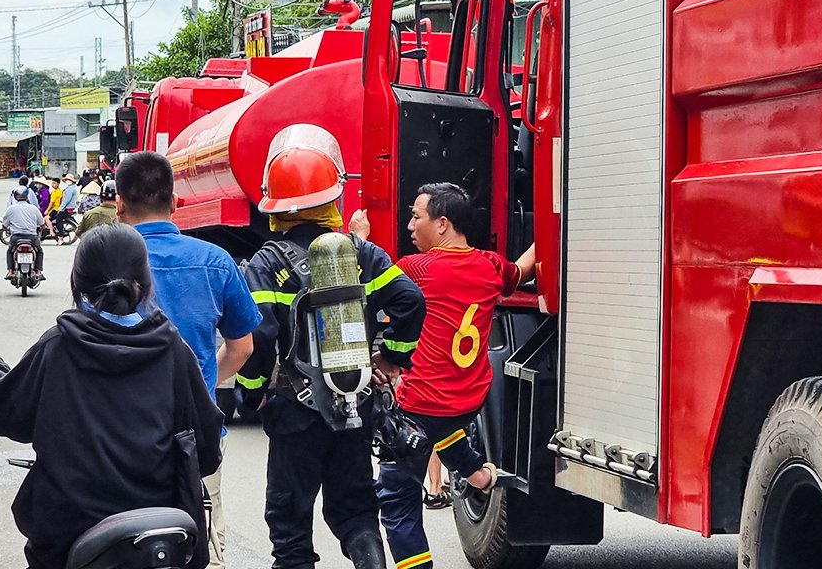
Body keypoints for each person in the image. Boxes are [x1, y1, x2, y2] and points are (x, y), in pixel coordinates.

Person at [0, 223, 225, 569]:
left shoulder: (57, 347)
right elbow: (207, 449)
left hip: (67, 534)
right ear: (145, 283)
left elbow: (2, 412)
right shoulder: (173, 350)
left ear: (77, 281)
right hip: (162, 530)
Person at [238, 124, 425, 569]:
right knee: (357, 510)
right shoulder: (362, 254)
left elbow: (260, 335)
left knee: (289, 522)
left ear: (276, 207)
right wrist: (392, 357)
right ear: (332, 198)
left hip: (292, 412)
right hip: (353, 404)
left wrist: (251, 391)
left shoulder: (267, 263)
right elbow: (410, 300)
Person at [351, 183, 535, 569]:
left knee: (396, 501)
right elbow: (520, 271)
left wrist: (358, 239)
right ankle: (478, 475)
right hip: (469, 398)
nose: (410, 226)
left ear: (443, 223)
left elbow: (364, 287)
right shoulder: (490, 265)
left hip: (421, 402)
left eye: (417, 217)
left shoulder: (418, 269)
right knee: (443, 430)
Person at [115, 152, 261, 569]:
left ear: (119, 203)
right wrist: (203, 381)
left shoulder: (105, 261)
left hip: (121, 434)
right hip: (196, 437)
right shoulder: (215, 260)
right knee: (201, 538)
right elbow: (242, 348)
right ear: (176, 202)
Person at [2, 186, 48, 280]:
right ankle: (38, 271)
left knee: (10, 251)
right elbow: (42, 223)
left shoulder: (11, 209)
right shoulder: (34, 208)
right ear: (27, 197)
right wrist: (42, 227)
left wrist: (4, 228)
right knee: (39, 251)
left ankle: (10, 272)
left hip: (16, 238)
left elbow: (4, 224)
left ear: (15, 197)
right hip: (32, 237)